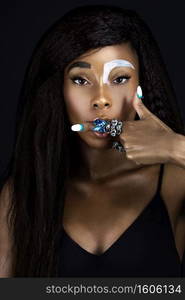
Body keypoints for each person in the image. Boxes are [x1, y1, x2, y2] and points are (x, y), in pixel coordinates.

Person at [0, 4, 185, 277]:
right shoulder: (22, 192)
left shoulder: (175, 180)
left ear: (141, 85)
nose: (101, 98)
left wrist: (175, 148)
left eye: (120, 78)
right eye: (81, 80)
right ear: (58, 91)